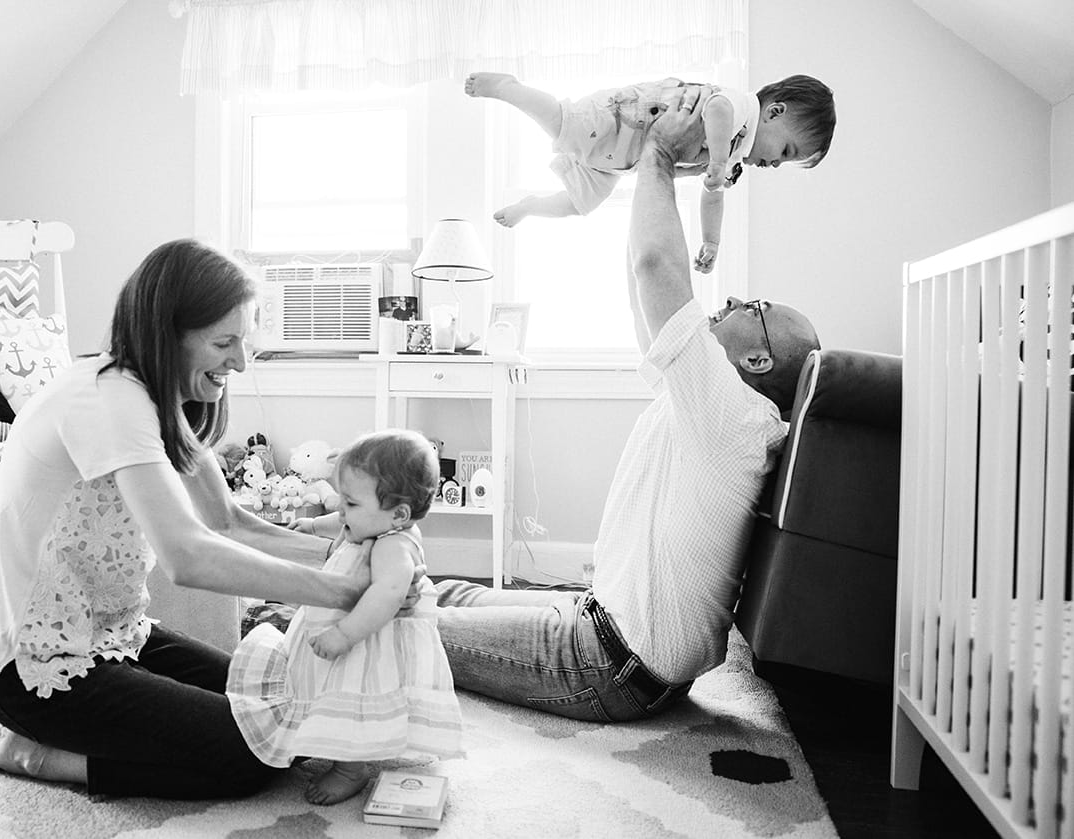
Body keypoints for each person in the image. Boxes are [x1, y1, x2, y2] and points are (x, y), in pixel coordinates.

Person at [0, 239, 421, 799]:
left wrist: (359, 557)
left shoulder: (155, 398)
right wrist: (341, 593)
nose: (240, 361)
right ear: (168, 334)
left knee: (285, 710)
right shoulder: (108, 400)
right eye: (224, 342)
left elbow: (228, 521)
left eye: (244, 341)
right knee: (253, 758)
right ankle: (40, 756)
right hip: (32, 665)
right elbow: (187, 555)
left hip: (117, 637)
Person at [433, 87, 821, 722]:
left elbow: (655, 266)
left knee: (402, 623)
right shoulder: (705, 401)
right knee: (441, 591)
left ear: (758, 361)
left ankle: (285, 650)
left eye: (754, 310)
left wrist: (662, 159)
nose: (731, 304)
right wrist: (638, 160)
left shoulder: (735, 416)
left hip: (607, 666)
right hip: (604, 630)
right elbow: (641, 278)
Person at [227, 429, 464, 805]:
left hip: (366, 642)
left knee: (353, 695)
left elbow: (388, 595)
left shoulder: (394, 546)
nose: (342, 511)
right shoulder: (375, 523)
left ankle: (350, 767)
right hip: (348, 630)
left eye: (350, 504)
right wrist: (311, 526)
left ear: (398, 514)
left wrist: (345, 634)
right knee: (320, 686)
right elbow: (339, 523)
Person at [464, 71, 836, 273]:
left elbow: (713, 195)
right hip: (622, 119)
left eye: (785, 164)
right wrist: (719, 161)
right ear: (775, 112)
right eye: (786, 151)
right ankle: (507, 88)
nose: (775, 164)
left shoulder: (735, 157)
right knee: (564, 122)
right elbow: (716, 109)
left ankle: (530, 206)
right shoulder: (742, 109)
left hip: (620, 160)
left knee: (581, 203)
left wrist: (712, 241)